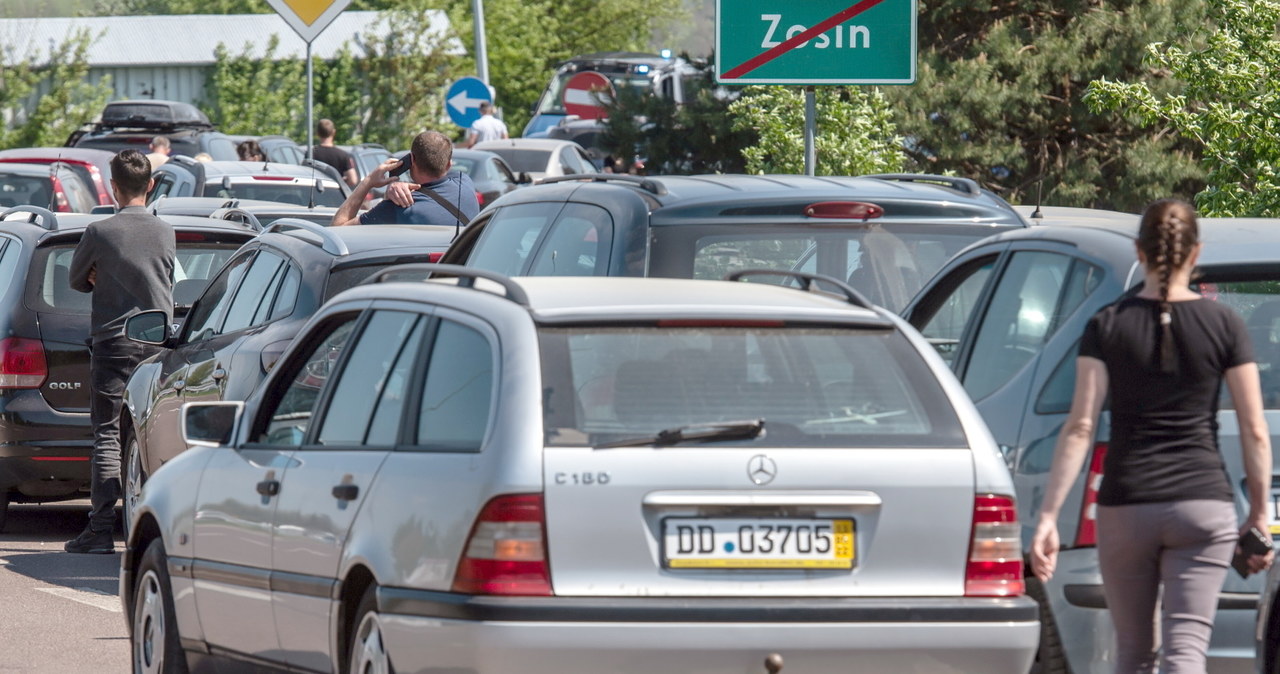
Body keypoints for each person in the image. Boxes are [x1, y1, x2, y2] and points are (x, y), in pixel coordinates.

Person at [1029, 199, 1275, 673]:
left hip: (1127, 504)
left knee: (1134, 654)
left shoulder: (1107, 325)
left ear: (1140, 252)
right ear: (1195, 253)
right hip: (1202, 506)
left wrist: (1047, 517)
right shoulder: (1225, 324)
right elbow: (1254, 429)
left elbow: (1081, 426)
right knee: (1186, 651)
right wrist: (1260, 514)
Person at [64, 149, 175, 554]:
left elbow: (77, 279)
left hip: (112, 343)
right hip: (156, 344)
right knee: (149, 433)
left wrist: (101, 274)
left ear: (112, 187)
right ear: (150, 185)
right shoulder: (166, 231)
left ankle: (99, 530)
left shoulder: (100, 232)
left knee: (108, 434)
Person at [331, 130, 479, 228]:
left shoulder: (398, 207)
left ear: (411, 159)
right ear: (449, 164)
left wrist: (368, 182)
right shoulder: (464, 183)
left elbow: (338, 228)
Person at [311, 119, 358, 187]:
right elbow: (353, 180)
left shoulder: (311, 153)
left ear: (317, 133)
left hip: (314, 193)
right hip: (335, 194)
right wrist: (340, 182)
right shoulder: (343, 155)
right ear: (333, 132)